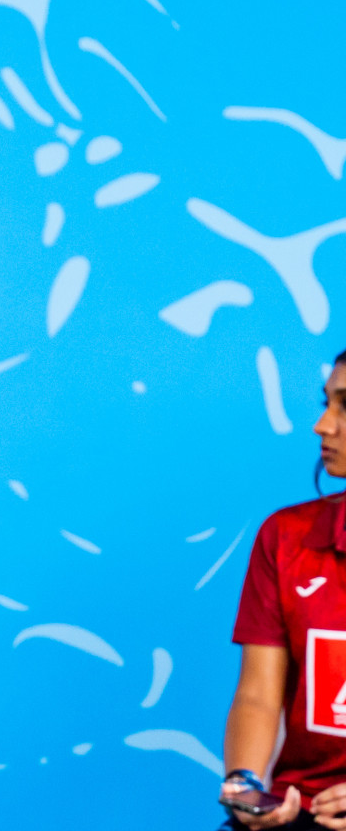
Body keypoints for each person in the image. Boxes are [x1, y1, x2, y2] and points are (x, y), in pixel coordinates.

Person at [220, 348, 346, 828]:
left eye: (345, 406)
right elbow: (257, 695)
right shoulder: (285, 536)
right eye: (326, 403)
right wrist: (244, 785)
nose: (322, 425)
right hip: (302, 811)